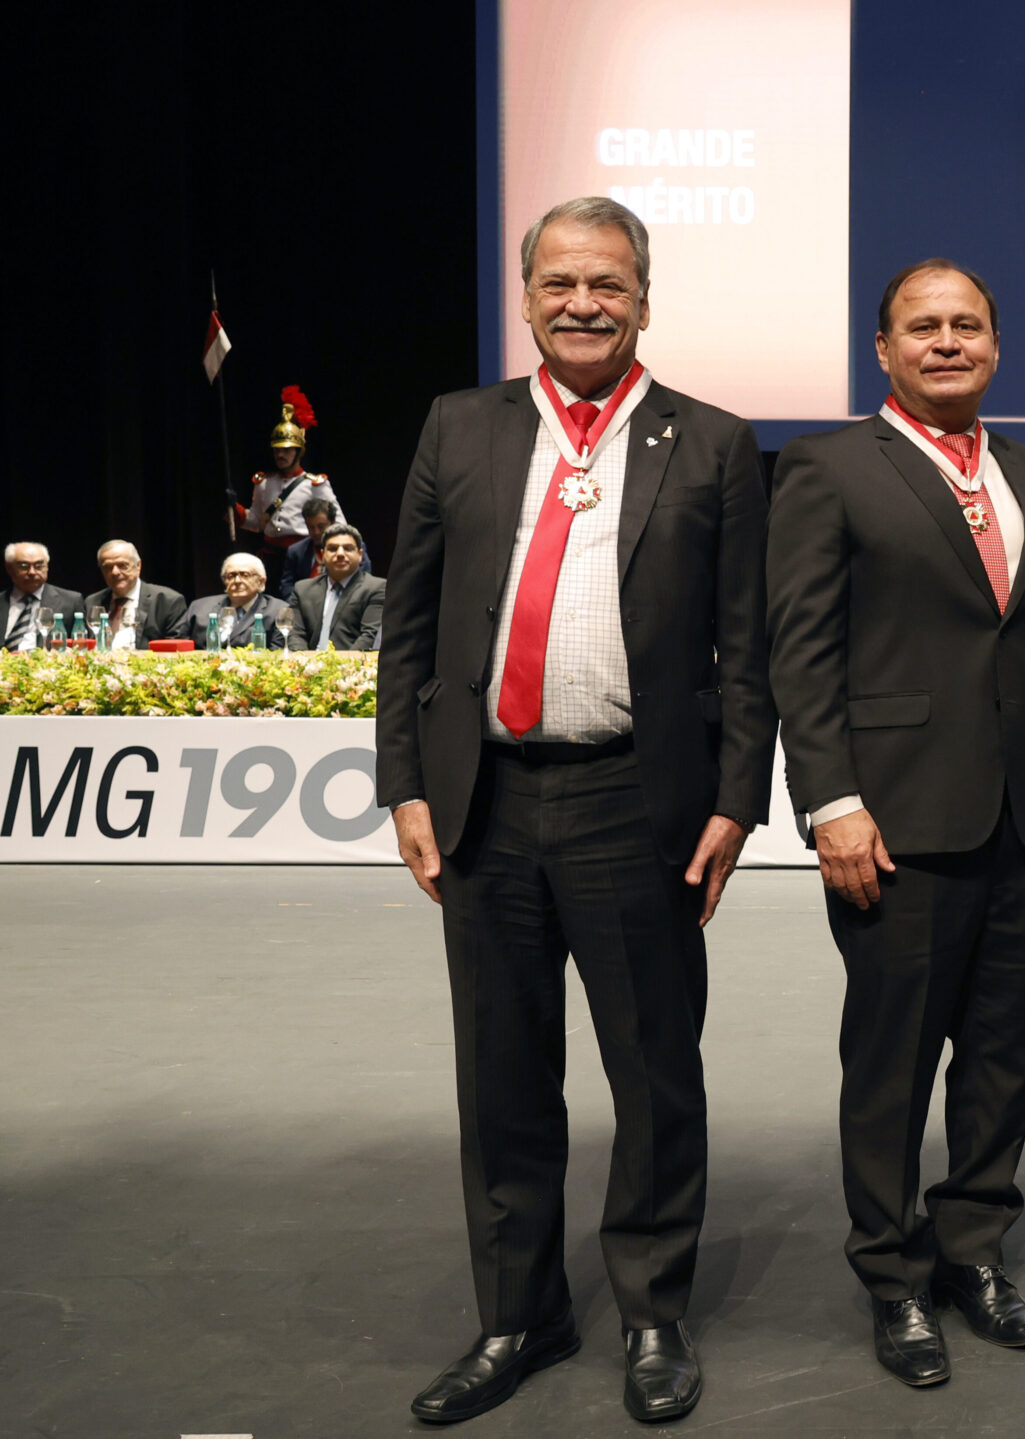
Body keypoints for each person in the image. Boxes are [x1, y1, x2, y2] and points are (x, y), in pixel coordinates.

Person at [376, 195, 774, 1427]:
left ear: (643, 297)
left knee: (653, 1073)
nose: (583, 303)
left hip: (634, 802)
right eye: (559, 283)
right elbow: (408, 627)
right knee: (501, 1078)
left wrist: (734, 799)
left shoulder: (710, 441)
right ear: (529, 295)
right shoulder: (460, 427)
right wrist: (406, 783)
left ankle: (652, 1310)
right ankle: (520, 1313)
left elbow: (747, 647)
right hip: (486, 800)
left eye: (607, 283)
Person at [767, 259, 1025, 1388]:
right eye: (924, 326)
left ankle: (973, 1250)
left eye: (967, 325)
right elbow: (799, 650)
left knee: (1002, 1054)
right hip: (892, 820)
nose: (946, 342)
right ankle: (891, 1275)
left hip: (1015, 819)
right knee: (893, 1062)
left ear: (996, 345)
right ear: (885, 348)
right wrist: (832, 802)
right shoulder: (826, 466)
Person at [242, 386, 340, 560]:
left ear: (298, 452)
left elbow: (338, 523)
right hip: (271, 555)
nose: (280, 455)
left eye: (287, 450)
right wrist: (236, 511)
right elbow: (256, 522)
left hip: (303, 556)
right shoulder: (263, 483)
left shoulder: (314, 485)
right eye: (277, 450)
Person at [287, 524, 386, 651]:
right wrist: (305, 665)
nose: (340, 554)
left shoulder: (376, 588)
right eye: (333, 549)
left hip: (350, 666)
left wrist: (341, 667)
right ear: (323, 554)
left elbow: (369, 637)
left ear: (360, 554)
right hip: (308, 665)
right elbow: (295, 634)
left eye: (348, 548)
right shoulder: (303, 589)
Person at [83, 541, 190, 649]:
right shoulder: (93, 602)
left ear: (138, 566)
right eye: (107, 567)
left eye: (122, 565)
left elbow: (175, 651)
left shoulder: (167, 602)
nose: (115, 572)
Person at [183, 553, 297, 648]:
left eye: (245, 575)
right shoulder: (199, 608)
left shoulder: (278, 610)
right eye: (231, 575)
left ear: (261, 582)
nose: (237, 581)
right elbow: (182, 647)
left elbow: (277, 654)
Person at [273, 497, 371, 600]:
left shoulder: (351, 548)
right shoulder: (296, 551)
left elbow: (363, 580)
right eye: (311, 527)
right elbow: (286, 586)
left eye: (321, 526)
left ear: (332, 523)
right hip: (305, 604)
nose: (316, 532)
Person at [4, 543, 82, 651]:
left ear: (47, 567)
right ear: (9, 568)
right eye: (24, 566)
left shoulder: (71, 601)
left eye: (38, 565)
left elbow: (81, 645)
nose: (32, 572)